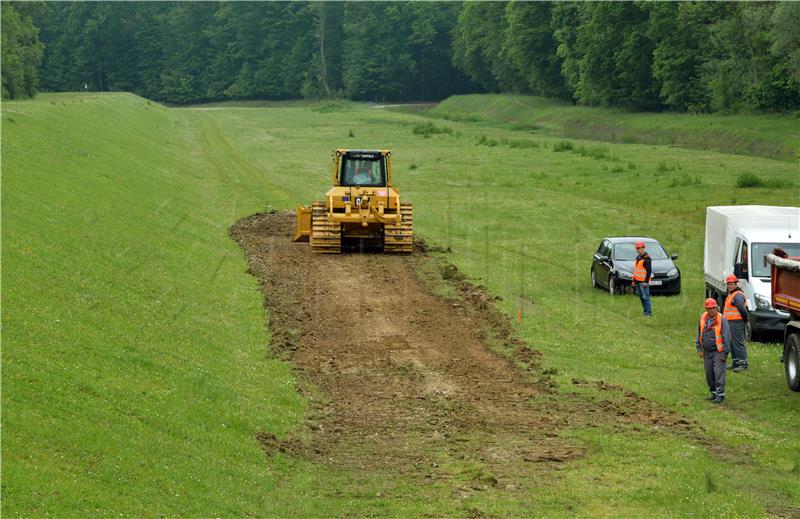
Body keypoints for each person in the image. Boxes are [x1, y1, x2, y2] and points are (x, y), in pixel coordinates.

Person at [696, 298, 731, 404]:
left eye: (713, 308)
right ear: (706, 308)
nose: (711, 310)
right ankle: (714, 393)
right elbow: (699, 333)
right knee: (709, 374)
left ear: (716, 308)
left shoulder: (722, 319)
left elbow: (726, 337)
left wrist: (725, 353)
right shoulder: (703, 317)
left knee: (718, 373)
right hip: (707, 351)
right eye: (709, 308)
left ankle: (720, 394)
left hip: (718, 352)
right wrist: (699, 348)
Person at [724, 274, 749, 372]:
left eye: (731, 284)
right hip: (730, 322)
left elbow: (742, 309)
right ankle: (735, 362)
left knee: (738, 343)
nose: (729, 286)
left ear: (736, 284)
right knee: (732, 343)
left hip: (736, 322)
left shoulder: (737, 295)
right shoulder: (731, 294)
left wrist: (745, 319)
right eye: (728, 284)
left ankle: (743, 363)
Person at [632, 241, 652, 317]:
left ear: (643, 248)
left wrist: (646, 282)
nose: (638, 250)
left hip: (643, 282)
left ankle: (649, 313)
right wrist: (634, 280)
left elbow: (649, 271)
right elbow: (636, 270)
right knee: (641, 298)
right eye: (637, 248)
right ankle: (645, 312)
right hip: (637, 281)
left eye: (640, 248)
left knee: (646, 297)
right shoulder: (638, 258)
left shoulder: (647, 258)